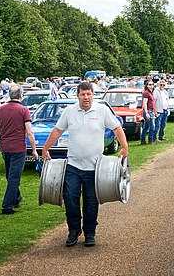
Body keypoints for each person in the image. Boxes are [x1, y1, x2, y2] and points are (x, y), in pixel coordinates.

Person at [43, 81, 128, 247]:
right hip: (73, 166)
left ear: (92, 94)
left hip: (95, 168)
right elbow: (57, 131)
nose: (86, 97)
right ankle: (73, 231)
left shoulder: (102, 111)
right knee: (71, 198)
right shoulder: (69, 111)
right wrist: (46, 148)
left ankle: (90, 232)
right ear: (77, 95)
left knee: (91, 201)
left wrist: (125, 147)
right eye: (83, 94)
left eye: (88, 94)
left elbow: (117, 128)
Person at [0, 85, 39, 215]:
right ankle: (7, 206)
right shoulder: (24, 110)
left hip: (5, 149)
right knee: (14, 177)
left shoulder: (1, 110)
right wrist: (34, 150)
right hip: (18, 149)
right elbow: (30, 132)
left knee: (10, 176)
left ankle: (17, 198)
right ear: (21, 96)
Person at [140, 80, 157, 145]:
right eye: (150, 84)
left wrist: (153, 111)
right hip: (148, 111)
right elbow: (145, 103)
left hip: (150, 111)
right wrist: (147, 113)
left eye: (152, 84)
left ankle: (143, 140)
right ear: (147, 85)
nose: (151, 86)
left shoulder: (151, 92)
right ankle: (150, 140)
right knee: (152, 127)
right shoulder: (146, 93)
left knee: (146, 127)